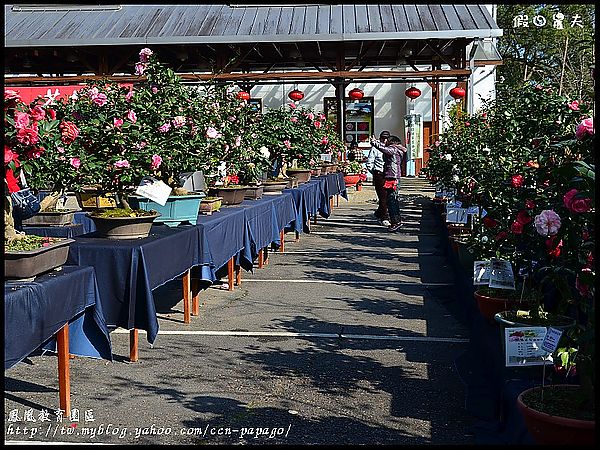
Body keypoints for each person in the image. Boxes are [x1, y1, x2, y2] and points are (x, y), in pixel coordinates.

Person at [369, 134, 407, 231]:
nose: (385, 142)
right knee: (390, 200)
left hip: (392, 177)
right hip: (391, 176)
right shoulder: (399, 149)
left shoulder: (394, 149)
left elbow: (385, 150)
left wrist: (374, 143)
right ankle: (395, 220)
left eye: (387, 141)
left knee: (392, 200)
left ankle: (396, 222)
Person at [365, 130, 390, 225]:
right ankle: (384, 217)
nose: (385, 140)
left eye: (386, 138)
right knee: (382, 197)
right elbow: (369, 162)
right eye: (383, 138)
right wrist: (375, 172)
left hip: (389, 174)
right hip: (379, 174)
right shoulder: (375, 148)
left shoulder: (390, 148)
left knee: (388, 197)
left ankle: (379, 213)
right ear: (380, 138)